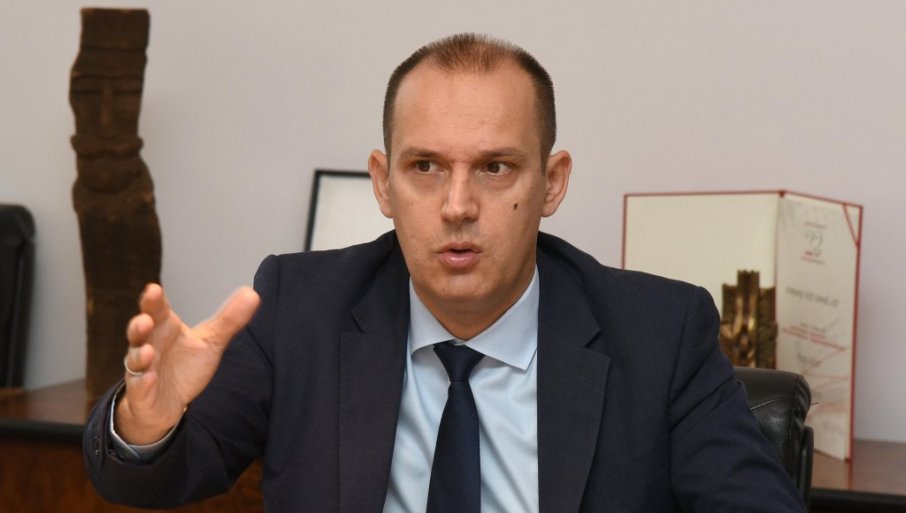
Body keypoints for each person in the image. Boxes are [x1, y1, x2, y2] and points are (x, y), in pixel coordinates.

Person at [84, 33, 807, 513]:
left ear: (552, 182)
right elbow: (149, 477)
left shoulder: (660, 334)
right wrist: (147, 421)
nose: (457, 206)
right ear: (383, 182)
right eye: (425, 166)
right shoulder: (299, 308)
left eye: (495, 168)